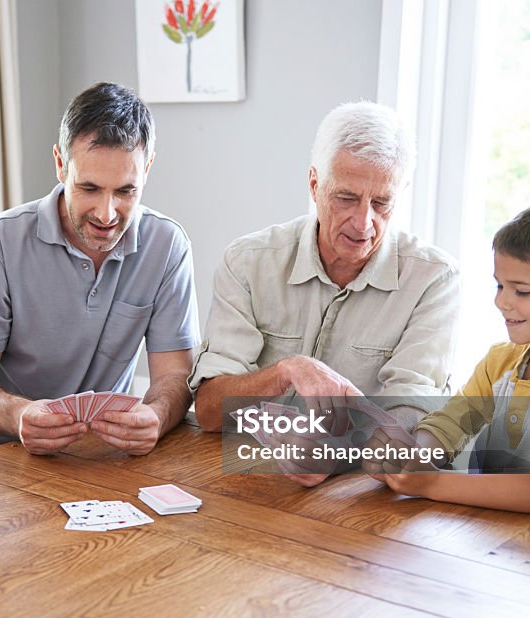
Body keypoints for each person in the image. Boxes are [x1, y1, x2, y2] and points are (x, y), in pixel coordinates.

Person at [189, 101, 459, 486]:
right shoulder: (247, 261)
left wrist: (333, 452)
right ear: (315, 185)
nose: (364, 222)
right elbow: (211, 411)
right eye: (346, 198)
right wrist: (287, 371)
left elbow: (412, 415)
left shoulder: (435, 279)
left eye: (382, 203)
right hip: (246, 478)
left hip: (360, 492)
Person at [0, 82, 199, 455]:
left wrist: (156, 416)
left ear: (148, 168)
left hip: (97, 456)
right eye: (89, 188)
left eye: (126, 191)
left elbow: (175, 374)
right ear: (61, 165)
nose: (107, 214)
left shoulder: (167, 246)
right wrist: (20, 415)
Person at [365, 199, 530, 515]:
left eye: (522, 291)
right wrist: (415, 459)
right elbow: (450, 423)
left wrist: (431, 485)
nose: (501, 301)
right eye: (500, 285)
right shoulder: (502, 360)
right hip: (501, 531)